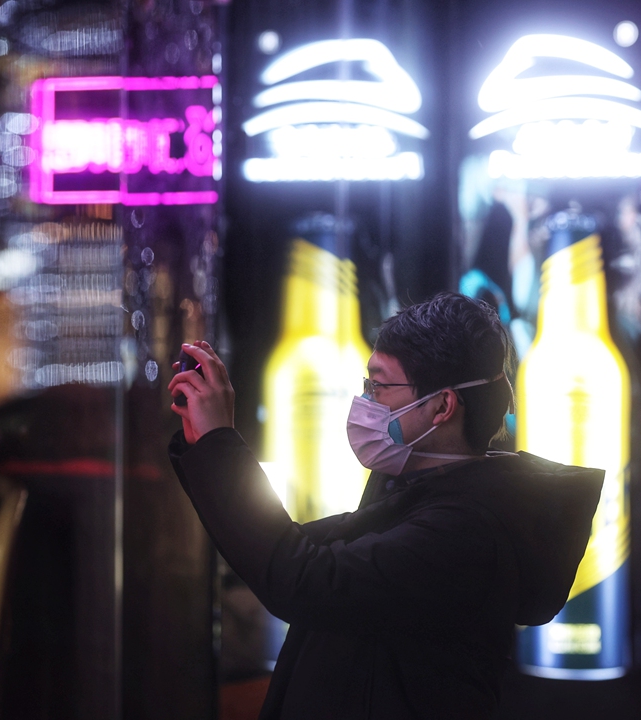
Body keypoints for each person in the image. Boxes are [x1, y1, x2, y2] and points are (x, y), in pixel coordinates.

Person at [168, 292, 603, 720]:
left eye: (379, 385)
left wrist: (218, 443)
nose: (366, 401)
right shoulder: (417, 484)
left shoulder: (470, 530)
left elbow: (303, 578)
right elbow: (297, 547)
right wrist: (204, 443)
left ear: (442, 406)